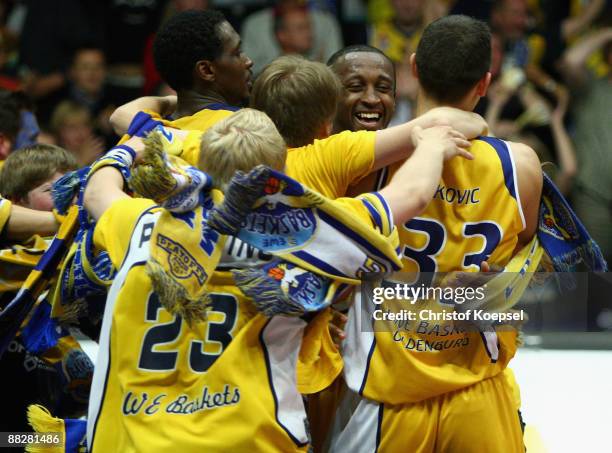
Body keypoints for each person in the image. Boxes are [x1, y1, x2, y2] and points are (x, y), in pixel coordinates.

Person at [81, 107, 470, 451]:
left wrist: (126, 151)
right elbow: (412, 193)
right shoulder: (309, 234)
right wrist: (432, 145)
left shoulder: (143, 222)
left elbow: (97, 193)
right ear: (279, 175)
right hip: (252, 435)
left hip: (137, 436)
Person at [329, 15, 543, 453]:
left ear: (413, 69)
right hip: (478, 386)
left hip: (390, 390)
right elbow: (529, 263)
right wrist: (490, 284)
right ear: (485, 83)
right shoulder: (522, 166)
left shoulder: (365, 164)